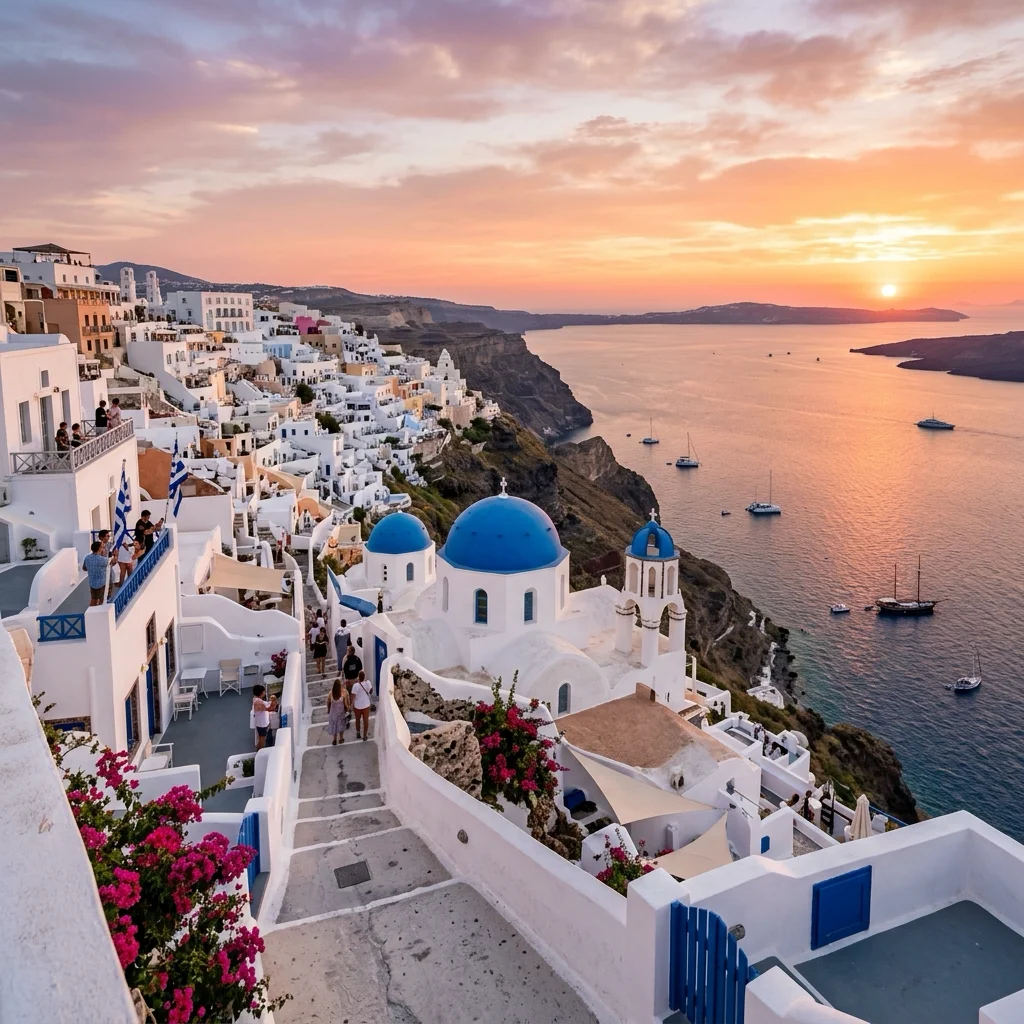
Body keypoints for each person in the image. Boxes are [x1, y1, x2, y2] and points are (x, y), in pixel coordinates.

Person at [82, 541, 113, 606]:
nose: (103, 549)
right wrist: (115, 556)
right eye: (102, 547)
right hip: (102, 584)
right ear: (99, 549)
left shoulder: (87, 558)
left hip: (92, 583)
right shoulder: (102, 560)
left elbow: (84, 568)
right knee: (102, 600)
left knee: (93, 599)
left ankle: (91, 612)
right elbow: (112, 562)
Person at [252, 684, 278, 751]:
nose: (264, 693)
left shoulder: (257, 700)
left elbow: (266, 704)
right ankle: (259, 753)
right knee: (261, 741)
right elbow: (270, 708)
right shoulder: (258, 703)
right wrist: (274, 700)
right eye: (263, 692)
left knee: (261, 739)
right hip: (262, 725)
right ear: (261, 693)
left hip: (262, 724)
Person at [326, 678, 350, 745]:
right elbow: (345, 703)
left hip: (333, 713)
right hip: (340, 713)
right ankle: (341, 738)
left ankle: (334, 739)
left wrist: (328, 709)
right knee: (341, 725)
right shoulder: (343, 693)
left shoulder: (331, 693)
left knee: (334, 726)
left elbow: (328, 702)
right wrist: (347, 708)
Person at [351, 670, 373, 741]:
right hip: (366, 705)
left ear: (358, 677)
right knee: (365, 720)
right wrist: (368, 684)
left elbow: (353, 696)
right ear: (364, 677)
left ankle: (358, 732)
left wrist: (351, 704)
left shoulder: (355, 685)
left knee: (357, 720)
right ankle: (365, 735)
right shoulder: (368, 683)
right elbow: (371, 691)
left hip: (357, 705)